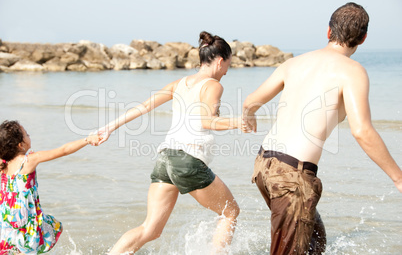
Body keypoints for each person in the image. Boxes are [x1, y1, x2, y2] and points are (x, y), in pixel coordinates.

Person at [242, 2, 402, 255]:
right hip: (291, 176)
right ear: (363, 38)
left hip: (264, 165)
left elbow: (250, 101)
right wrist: (398, 177)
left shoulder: (294, 64)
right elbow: (362, 131)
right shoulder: (353, 72)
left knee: (316, 242)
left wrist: (248, 116)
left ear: (328, 32)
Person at [96, 31, 242, 254]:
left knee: (150, 229)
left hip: (165, 158)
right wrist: (238, 122)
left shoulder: (179, 83)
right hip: (188, 160)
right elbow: (207, 120)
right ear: (221, 61)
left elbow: (143, 107)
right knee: (230, 212)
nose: (226, 72)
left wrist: (109, 127)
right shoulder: (213, 85)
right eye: (227, 66)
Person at [0, 120, 100, 254]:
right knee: (54, 228)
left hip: (7, 218)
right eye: (27, 134)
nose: (30, 136)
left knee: (16, 245)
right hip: (25, 218)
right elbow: (63, 150)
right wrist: (87, 140)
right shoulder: (28, 161)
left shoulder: (3, 164)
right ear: (20, 145)